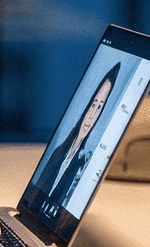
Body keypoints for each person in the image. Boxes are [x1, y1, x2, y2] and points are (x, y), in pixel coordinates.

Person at [40, 63, 120, 214]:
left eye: (100, 107)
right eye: (93, 104)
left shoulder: (84, 164)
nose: (91, 115)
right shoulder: (58, 152)